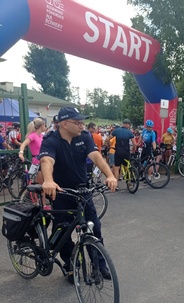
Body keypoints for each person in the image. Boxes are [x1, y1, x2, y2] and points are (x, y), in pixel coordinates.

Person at [40, 107, 117, 281]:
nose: (82, 125)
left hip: (82, 192)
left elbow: (96, 156)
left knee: (94, 228)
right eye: (78, 122)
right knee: (63, 231)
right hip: (62, 193)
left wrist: (110, 175)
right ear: (64, 124)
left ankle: (99, 267)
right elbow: (46, 161)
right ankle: (70, 265)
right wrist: (48, 181)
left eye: (82, 122)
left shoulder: (84, 138)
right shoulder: (51, 140)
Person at [18, 117, 47, 186]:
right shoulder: (32, 136)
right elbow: (23, 144)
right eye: (44, 125)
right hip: (37, 162)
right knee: (42, 184)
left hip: (43, 160)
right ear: (41, 126)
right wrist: (21, 153)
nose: (45, 126)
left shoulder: (42, 135)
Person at [110, 118, 136, 185]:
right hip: (126, 152)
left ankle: (116, 184)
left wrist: (108, 145)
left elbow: (108, 138)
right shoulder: (129, 132)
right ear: (127, 124)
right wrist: (133, 149)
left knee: (116, 168)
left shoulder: (116, 131)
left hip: (118, 152)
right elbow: (134, 144)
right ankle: (129, 182)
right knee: (127, 166)